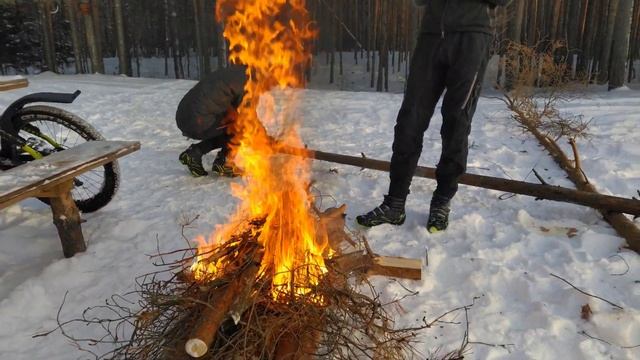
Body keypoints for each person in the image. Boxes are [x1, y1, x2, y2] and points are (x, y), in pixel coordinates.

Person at [356, 0, 510, 233]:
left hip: (471, 38)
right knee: (409, 120)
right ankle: (394, 204)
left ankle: (442, 201)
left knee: (456, 122)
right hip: (431, 37)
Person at [176, 65, 247, 177]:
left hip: (182, 115)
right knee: (242, 127)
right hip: (198, 120)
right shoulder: (249, 81)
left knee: (229, 123)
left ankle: (194, 154)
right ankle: (224, 163)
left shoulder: (236, 72)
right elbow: (245, 117)